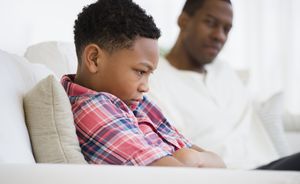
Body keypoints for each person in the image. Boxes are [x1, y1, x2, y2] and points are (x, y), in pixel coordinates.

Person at [61, 0, 300, 171]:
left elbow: (201, 155)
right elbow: (174, 175)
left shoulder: (136, 101)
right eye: (140, 72)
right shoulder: (94, 109)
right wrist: (191, 158)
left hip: (220, 181)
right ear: (94, 59)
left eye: (149, 74)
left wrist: (191, 158)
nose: (146, 86)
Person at [147, 0, 289, 169]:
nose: (219, 36)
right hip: (234, 176)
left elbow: (263, 110)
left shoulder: (225, 71)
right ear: (183, 21)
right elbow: (173, 147)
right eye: (210, 23)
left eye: (226, 29)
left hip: (273, 167)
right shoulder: (153, 80)